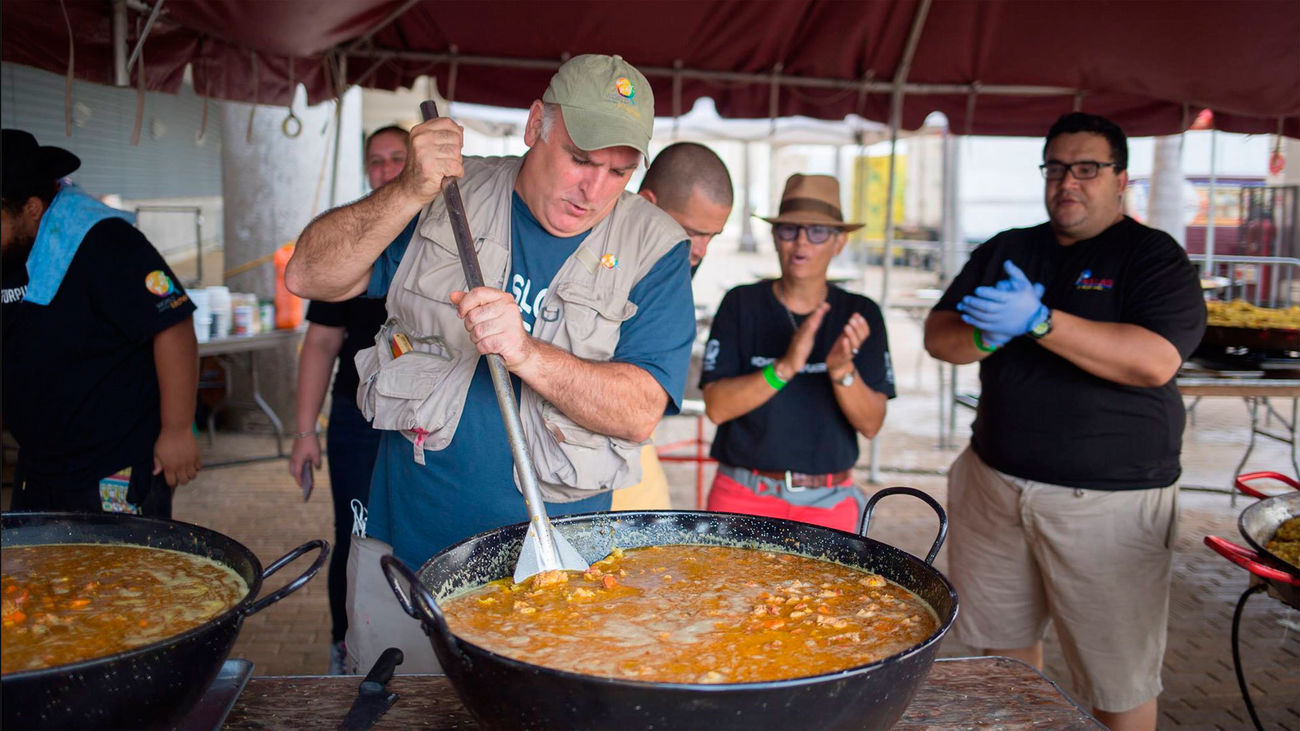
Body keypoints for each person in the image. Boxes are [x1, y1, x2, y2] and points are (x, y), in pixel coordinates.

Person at [284, 54, 696, 573]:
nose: (594, 191)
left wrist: (527, 353)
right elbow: (308, 276)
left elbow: (639, 413)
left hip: (557, 569)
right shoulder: (447, 194)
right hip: (411, 543)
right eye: (580, 159)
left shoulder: (655, 247)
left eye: (620, 171)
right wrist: (408, 189)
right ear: (535, 124)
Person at [923, 112, 1205, 731]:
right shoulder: (1008, 248)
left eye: (1086, 169)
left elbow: (1155, 361)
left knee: (1117, 680)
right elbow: (940, 337)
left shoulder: (1153, 257)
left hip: (1107, 503)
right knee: (1003, 663)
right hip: (994, 485)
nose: (1067, 182)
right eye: (1055, 168)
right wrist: (986, 335)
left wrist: (1040, 321)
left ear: (1121, 179)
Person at [2, 129, 200, 517]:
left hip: (113, 466)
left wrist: (177, 429)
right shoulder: (10, 249)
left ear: (32, 209)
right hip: (39, 466)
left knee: (117, 560)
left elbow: (172, 324)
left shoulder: (105, 241)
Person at [699, 174, 894, 532]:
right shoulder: (741, 303)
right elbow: (717, 407)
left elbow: (871, 424)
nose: (801, 241)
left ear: (839, 242)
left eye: (818, 231)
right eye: (789, 229)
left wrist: (842, 371)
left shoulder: (860, 313)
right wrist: (785, 367)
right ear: (775, 237)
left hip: (828, 500)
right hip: (743, 494)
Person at [287, 124, 409, 675]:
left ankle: (423, 648)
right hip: (357, 417)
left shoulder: (444, 235)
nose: (385, 170)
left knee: (422, 533)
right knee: (357, 535)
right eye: (375, 161)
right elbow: (320, 343)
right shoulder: (349, 241)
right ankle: (347, 648)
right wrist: (303, 433)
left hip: (427, 420)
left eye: (397, 158)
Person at [613, 141, 734, 511]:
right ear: (647, 204)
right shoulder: (599, 250)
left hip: (635, 460)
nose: (702, 250)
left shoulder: (676, 263)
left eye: (712, 236)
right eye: (693, 232)